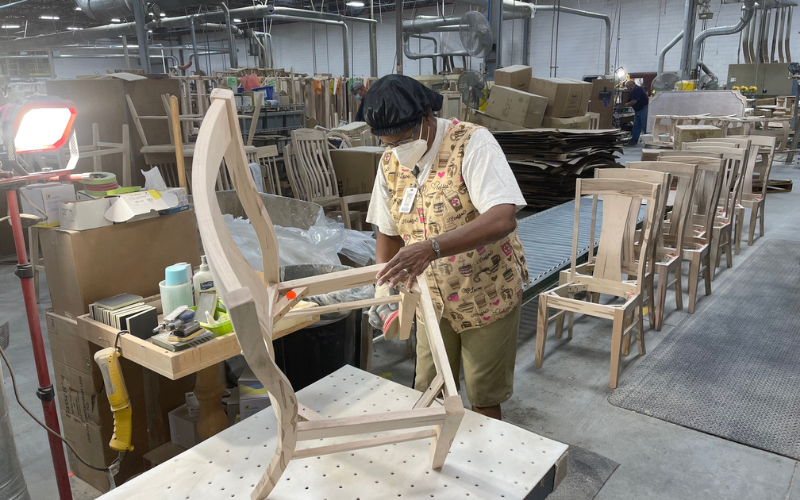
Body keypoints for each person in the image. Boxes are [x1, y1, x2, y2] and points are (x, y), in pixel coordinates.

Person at [363, 74, 529, 421]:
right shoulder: (391, 162)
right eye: (388, 143)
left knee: (483, 392)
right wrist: (383, 287)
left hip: (484, 291)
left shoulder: (472, 143)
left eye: (403, 139)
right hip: (430, 300)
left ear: (426, 119)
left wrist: (432, 247)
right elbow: (388, 231)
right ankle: (438, 461)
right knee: (430, 387)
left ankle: (484, 461)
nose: (397, 149)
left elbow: (503, 217)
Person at [623, 79, 649, 146]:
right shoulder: (634, 90)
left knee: (644, 126)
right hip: (638, 110)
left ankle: (648, 141)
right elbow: (631, 99)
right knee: (636, 126)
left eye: (628, 86)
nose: (628, 88)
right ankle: (634, 140)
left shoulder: (637, 89)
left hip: (643, 109)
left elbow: (634, 101)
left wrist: (626, 104)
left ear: (632, 84)